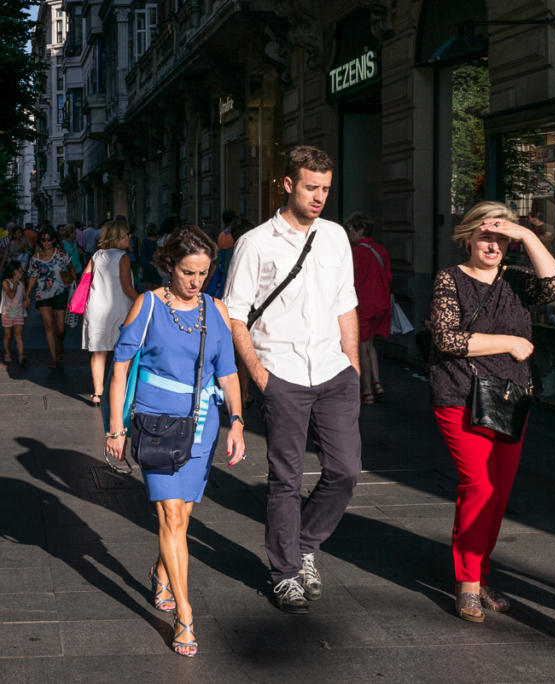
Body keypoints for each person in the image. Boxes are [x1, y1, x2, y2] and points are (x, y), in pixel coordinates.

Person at [224, 146, 362, 615]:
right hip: (281, 372)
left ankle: (304, 545)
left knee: (345, 470)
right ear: (288, 184)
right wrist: (260, 374)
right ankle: (284, 574)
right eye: (310, 187)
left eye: (326, 188)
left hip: (333, 370)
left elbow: (346, 303)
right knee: (285, 478)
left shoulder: (336, 236)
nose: (319, 196)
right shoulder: (255, 243)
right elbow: (235, 314)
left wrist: (353, 366)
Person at [105, 225, 245, 658]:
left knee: (181, 515)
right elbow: (120, 367)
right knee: (171, 515)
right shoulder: (148, 305)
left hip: (202, 425)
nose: (195, 281)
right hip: (156, 423)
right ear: (169, 265)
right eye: (188, 272)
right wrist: (115, 427)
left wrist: (237, 421)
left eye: (203, 273)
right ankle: (185, 615)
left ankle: (161, 571)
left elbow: (228, 373)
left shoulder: (215, 309)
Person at [429, 201, 555, 622]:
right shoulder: (450, 278)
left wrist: (525, 234)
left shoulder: (518, 279)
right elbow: (447, 339)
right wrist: (509, 342)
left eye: (501, 239)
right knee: (479, 486)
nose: (493, 245)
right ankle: (468, 582)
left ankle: (481, 572)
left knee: (499, 492)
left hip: (510, 396)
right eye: (485, 236)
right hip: (459, 392)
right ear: (468, 237)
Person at [82, 219, 138, 407]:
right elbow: (127, 287)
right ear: (118, 237)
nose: (129, 237)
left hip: (96, 308)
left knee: (99, 352)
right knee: (123, 351)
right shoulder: (123, 257)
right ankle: (120, 390)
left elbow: (85, 278)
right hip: (117, 309)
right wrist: (144, 301)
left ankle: (97, 394)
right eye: (126, 235)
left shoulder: (97, 255)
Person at [345, 212, 392, 405]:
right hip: (382, 304)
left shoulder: (356, 252)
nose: (348, 233)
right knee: (371, 345)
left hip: (364, 304)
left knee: (362, 347)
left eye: (350, 229)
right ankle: (377, 383)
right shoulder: (380, 249)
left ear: (361, 230)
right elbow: (388, 276)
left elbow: (348, 280)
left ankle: (367, 391)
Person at [26, 226, 76, 368]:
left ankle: (60, 343)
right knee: (49, 326)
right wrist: (27, 294)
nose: (46, 242)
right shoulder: (35, 258)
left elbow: (71, 267)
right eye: (43, 240)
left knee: (60, 328)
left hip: (60, 292)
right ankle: (53, 358)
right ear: (40, 241)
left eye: (49, 239)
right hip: (42, 294)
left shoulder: (62, 254)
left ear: (54, 239)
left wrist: (73, 283)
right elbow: (33, 277)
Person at [227, 217, 255, 407]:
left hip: (227, 309)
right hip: (250, 311)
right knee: (244, 355)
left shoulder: (226, 254)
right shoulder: (251, 253)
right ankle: (244, 394)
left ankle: (236, 397)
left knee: (233, 355)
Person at [1, 262, 27, 365]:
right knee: (8, 335)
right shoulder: (5, 282)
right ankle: (7, 354)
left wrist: (27, 300)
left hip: (19, 312)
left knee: (19, 334)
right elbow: (11, 295)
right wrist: (15, 285)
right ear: (14, 272)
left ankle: (21, 356)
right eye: (20, 271)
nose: (22, 273)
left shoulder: (22, 282)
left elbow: (25, 296)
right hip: (7, 312)